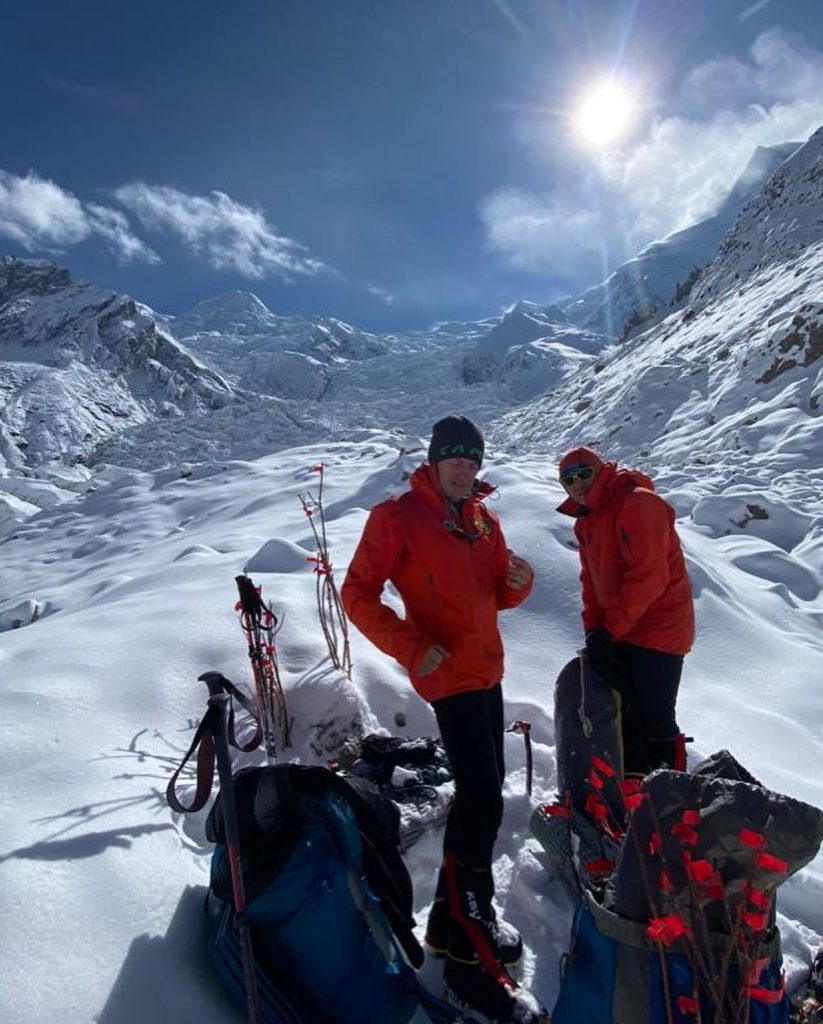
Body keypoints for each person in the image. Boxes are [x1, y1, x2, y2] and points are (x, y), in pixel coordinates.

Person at [342, 416, 546, 1024]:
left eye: (472, 459)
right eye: (454, 458)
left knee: (484, 794)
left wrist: (521, 583)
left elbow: (495, 592)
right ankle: (461, 943)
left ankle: (461, 914)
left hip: (487, 668)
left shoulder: (483, 519)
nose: (465, 468)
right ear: (432, 461)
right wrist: (408, 645)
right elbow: (357, 592)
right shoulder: (398, 517)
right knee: (482, 795)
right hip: (446, 672)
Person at [556, 446, 695, 778]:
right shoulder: (587, 520)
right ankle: (633, 793)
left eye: (583, 473)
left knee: (654, 717)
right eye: (568, 479)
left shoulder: (638, 502)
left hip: (659, 631)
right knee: (626, 714)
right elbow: (590, 582)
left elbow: (650, 576)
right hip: (623, 629)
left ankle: (671, 796)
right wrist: (595, 630)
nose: (577, 484)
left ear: (600, 470)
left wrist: (609, 630)